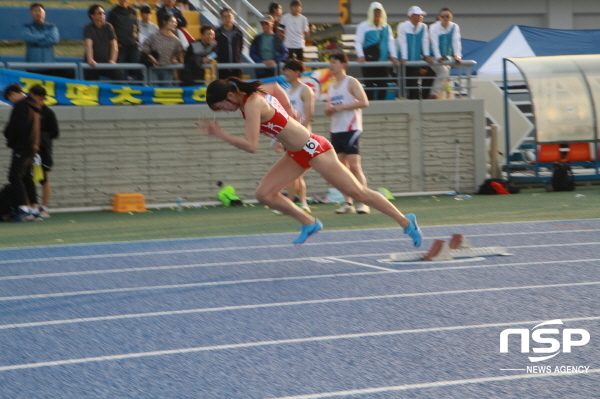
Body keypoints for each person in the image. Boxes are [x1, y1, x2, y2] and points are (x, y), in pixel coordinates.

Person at [198, 77, 422, 247]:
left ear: (230, 96)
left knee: (359, 193)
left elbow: (251, 146)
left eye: (222, 107)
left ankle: (405, 221)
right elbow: (276, 86)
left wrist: (220, 134)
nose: (225, 112)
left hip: (314, 150)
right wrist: (287, 111)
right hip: (295, 154)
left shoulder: (252, 103)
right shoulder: (252, 96)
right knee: (264, 194)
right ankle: (309, 222)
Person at [325, 52, 371, 215]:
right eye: (330, 62)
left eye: (335, 62)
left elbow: (364, 102)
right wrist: (330, 111)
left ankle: (363, 202)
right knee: (341, 169)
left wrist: (343, 106)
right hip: (336, 130)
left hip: (351, 129)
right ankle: (347, 202)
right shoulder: (331, 87)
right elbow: (331, 108)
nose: (331, 65)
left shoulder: (351, 81)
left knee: (354, 166)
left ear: (343, 64)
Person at [272, 59, 313, 214]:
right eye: (285, 70)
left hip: (301, 136)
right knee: (296, 171)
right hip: (288, 136)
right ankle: (302, 202)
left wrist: (302, 134)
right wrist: (279, 139)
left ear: (297, 72)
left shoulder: (305, 90)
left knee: (293, 171)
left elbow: (308, 115)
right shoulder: (286, 92)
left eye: (289, 70)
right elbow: (283, 117)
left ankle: (289, 204)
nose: (285, 73)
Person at [2, 84, 42, 222]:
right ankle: (34, 209)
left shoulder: (21, 107)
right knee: (27, 178)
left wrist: (10, 140)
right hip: (32, 146)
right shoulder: (34, 106)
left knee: (15, 176)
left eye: (9, 98)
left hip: (22, 146)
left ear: (13, 94)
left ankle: (23, 207)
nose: (11, 101)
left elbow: (15, 127)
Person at [354, 2, 398, 101]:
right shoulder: (363, 26)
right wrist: (361, 55)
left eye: (379, 11)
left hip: (382, 62)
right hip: (369, 61)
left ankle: (380, 105)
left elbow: (391, 42)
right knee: (369, 85)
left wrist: (393, 56)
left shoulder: (386, 27)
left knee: (383, 85)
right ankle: (369, 105)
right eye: (375, 11)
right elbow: (358, 42)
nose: (377, 14)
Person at [29, 85, 59, 219]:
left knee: (45, 179)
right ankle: (31, 207)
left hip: (44, 150)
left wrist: (41, 137)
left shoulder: (48, 113)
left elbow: (55, 132)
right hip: (29, 150)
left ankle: (44, 207)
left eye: (33, 95)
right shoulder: (28, 110)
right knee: (29, 179)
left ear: (40, 97)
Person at [397, 6, 435, 99]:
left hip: (416, 61)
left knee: (415, 83)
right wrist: (404, 57)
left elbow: (424, 41)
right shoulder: (403, 26)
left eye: (421, 15)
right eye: (418, 15)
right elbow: (403, 42)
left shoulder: (423, 27)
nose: (420, 17)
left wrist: (426, 55)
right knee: (408, 84)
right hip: (405, 62)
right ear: (411, 16)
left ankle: (419, 99)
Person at [429, 8, 462, 99]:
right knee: (444, 72)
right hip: (433, 56)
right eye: (442, 16)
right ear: (439, 17)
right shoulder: (434, 27)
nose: (444, 18)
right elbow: (434, 43)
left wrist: (457, 55)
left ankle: (442, 96)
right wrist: (438, 56)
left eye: (447, 16)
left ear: (451, 17)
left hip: (447, 56)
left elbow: (456, 41)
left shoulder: (454, 27)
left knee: (445, 77)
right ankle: (434, 93)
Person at [141, 14, 184, 85]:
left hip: (167, 70)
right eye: (172, 22)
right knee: (153, 92)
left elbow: (178, 53)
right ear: (164, 22)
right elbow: (144, 47)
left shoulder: (176, 40)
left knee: (166, 93)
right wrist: (151, 57)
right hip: (153, 69)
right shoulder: (154, 35)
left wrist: (175, 58)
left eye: (176, 23)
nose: (174, 24)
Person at [83, 4, 120, 82]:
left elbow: (114, 45)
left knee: (119, 74)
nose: (102, 15)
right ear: (92, 15)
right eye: (99, 13)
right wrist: (90, 59)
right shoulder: (88, 28)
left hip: (106, 62)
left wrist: (112, 60)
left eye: (103, 13)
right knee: (91, 81)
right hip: (92, 64)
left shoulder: (109, 27)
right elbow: (89, 45)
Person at [107, 0, 140, 81]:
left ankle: (135, 83)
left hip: (132, 44)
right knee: (119, 69)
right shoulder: (113, 12)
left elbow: (136, 27)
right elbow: (110, 29)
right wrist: (116, 42)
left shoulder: (133, 11)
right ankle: (119, 87)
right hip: (120, 46)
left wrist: (136, 40)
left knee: (137, 66)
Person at [215, 8, 244, 80]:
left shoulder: (239, 32)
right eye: (225, 17)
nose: (227, 19)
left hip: (236, 67)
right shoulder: (217, 33)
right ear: (221, 18)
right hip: (222, 68)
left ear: (233, 17)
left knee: (237, 90)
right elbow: (215, 48)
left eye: (229, 16)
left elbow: (240, 48)